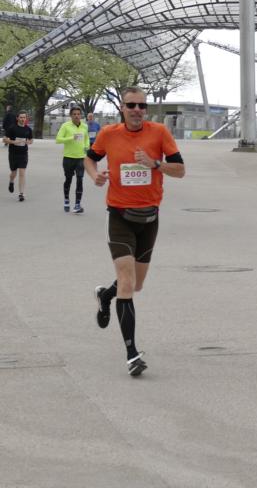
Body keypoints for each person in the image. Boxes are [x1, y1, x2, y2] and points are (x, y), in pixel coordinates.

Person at [85, 87, 186, 377]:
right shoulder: (108, 134)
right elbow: (89, 159)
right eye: (131, 105)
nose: (137, 110)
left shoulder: (159, 133)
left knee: (135, 285)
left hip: (149, 218)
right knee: (127, 284)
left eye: (142, 105)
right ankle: (132, 354)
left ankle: (105, 295)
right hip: (119, 217)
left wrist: (155, 164)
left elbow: (180, 170)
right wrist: (95, 176)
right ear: (122, 108)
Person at [55, 105, 89, 213]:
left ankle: (77, 205)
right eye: (74, 114)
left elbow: (86, 138)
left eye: (78, 114)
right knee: (68, 179)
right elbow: (58, 140)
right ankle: (66, 200)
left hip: (81, 158)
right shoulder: (65, 126)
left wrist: (86, 147)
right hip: (68, 157)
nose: (76, 116)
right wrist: (71, 137)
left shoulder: (84, 126)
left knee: (80, 179)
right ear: (70, 115)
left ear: (81, 115)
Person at [4, 111, 33, 201]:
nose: (23, 119)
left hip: (23, 154)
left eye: (24, 117)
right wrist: (13, 142)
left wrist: (28, 142)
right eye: (21, 117)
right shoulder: (12, 128)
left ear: (26, 118)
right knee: (13, 173)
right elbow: (4, 140)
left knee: (22, 173)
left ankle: (21, 194)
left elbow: (31, 140)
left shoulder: (28, 129)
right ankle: (11, 181)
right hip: (13, 153)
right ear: (17, 118)